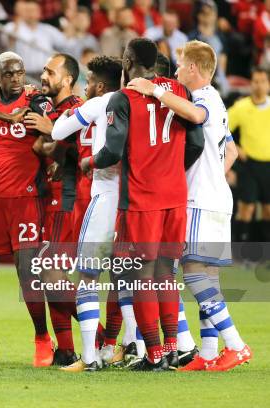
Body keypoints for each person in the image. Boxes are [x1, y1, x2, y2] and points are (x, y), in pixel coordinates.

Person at [128, 40, 251, 371]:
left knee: (194, 273)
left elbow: (195, 115)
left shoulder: (203, 98)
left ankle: (237, 346)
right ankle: (209, 353)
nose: (177, 70)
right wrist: (212, 176)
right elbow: (233, 153)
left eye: (181, 65)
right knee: (207, 277)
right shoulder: (219, 101)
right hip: (217, 196)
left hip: (199, 199)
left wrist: (154, 91)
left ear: (194, 69)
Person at [83, 38, 204, 371]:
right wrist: (170, 169)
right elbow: (196, 143)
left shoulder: (123, 98)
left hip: (141, 200)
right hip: (175, 197)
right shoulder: (179, 92)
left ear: (127, 61)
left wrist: (89, 162)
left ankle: (154, 354)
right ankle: (170, 347)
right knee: (165, 274)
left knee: (141, 278)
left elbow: (114, 149)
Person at [0, 52, 50, 366]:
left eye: (19, 72)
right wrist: (4, 117)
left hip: (26, 199)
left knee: (28, 275)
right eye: (9, 73)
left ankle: (42, 338)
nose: (16, 78)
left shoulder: (36, 101)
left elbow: (53, 132)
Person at [48, 55, 127, 372]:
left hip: (104, 196)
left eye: (89, 80)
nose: (85, 85)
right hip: (133, 200)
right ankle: (125, 348)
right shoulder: (133, 102)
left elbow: (57, 132)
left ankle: (90, 358)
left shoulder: (99, 104)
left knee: (87, 277)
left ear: (100, 84)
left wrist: (70, 112)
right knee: (127, 278)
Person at [23, 53, 85, 367]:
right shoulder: (57, 110)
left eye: (51, 71)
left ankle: (102, 338)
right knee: (51, 274)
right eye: (44, 69)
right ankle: (65, 348)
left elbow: (80, 151)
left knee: (50, 272)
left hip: (69, 198)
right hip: (51, 199)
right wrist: (49, 137)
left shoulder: (77, 109)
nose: (44, 76)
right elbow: (41, 148)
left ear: (68, 79)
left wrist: (54, 136)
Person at [229, 67, 270, 247]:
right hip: (249, 166)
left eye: (262, 81)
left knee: (268, 210)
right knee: (247, 208)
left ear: (268, 84)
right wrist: (236, 148)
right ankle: (241, 254)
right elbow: (221, 129)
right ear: (250, 84)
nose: (259, 85)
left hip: (268, 165)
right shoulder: (241, 107)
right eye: (255, 81)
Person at [2, 0, 69, 76]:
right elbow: (7, 41)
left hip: (44, 73)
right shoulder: (12, 26)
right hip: (22, 74)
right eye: (28, 11)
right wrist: (17, 19)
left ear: (39, 12)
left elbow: (65, 43)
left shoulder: (47, 29)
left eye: (34, 10)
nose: (31, 14)